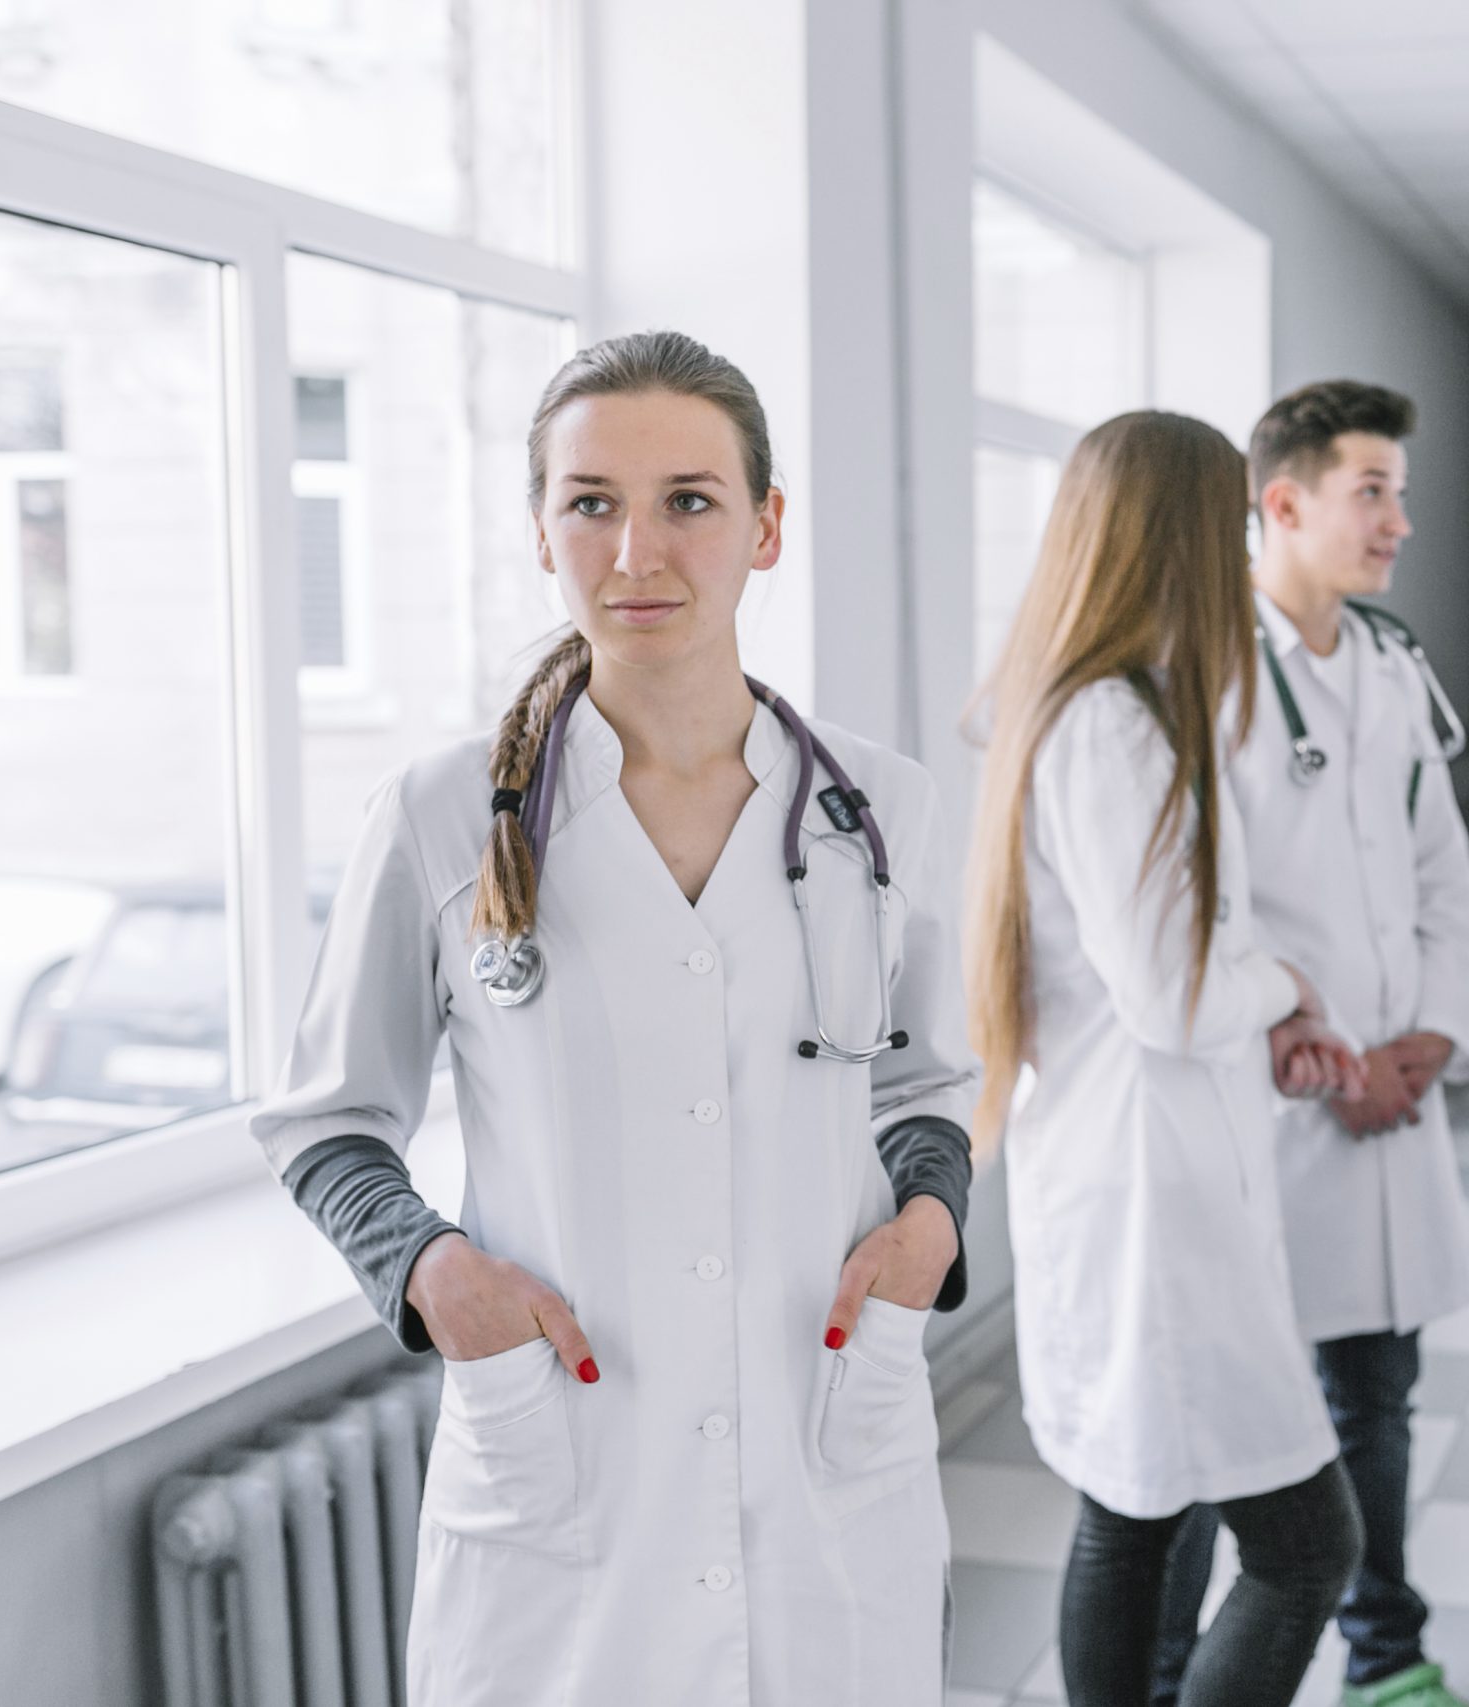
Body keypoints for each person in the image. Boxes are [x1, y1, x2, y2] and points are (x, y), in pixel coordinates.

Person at [251, 332, 978, 1703]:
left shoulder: (881, 809)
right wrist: (432, 1270)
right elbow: (326, 1119)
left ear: (767, 527)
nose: (637, 548)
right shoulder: (439, 814)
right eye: (592, 500)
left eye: (689, 500)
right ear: (541, 529)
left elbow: (928, 1084)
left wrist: (930, 1225)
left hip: (829, 1446)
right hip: (565, 1458)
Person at [962, 409, 1371, 1707]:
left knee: (1134, 1515)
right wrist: (1289, 982)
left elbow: (1173, 966)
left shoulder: (1093, 712)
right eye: (1234, 525)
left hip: (1135, 1172)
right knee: (1308, 1544)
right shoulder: (1115, 729)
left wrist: (1261, 1003)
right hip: (1156, 1199)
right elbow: (1171, 995)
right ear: (1181, 539)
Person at [1151, 381, 1469, 1707]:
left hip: (1390, 1092)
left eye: (1399, 490)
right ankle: (1172, 1674)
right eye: (1374, 491)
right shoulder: (1197, 667)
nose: (1400, 519)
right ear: (1281, 502)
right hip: (1263, 1099)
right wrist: (1314, 1045)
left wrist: (1430, 1034)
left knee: (1375, 1400)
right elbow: (1187, 901)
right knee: (1189, 1423)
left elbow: (1442, 873)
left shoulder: (1396, 665)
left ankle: (1387, 1653)